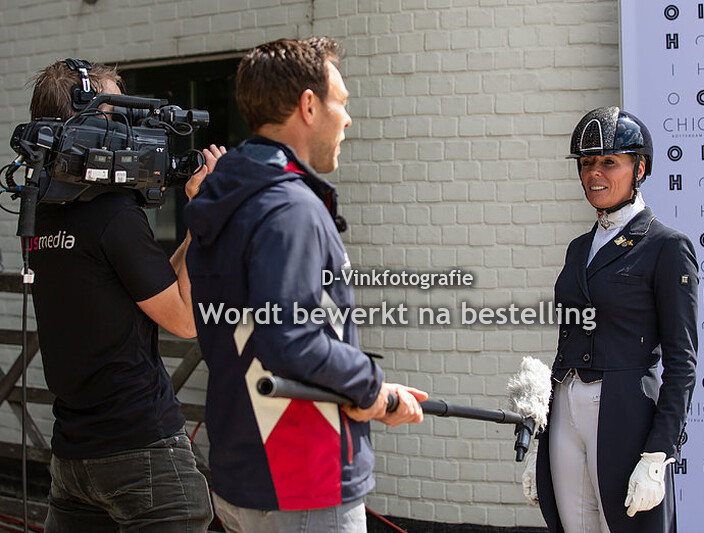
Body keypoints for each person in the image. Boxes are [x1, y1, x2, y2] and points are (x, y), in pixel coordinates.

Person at [184, 37, 428, 533]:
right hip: (301, 482)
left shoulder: (227, 197)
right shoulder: (288, 206)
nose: (348, 118)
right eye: (341, 102)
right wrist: (373, 388)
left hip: (240, 475)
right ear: (309, 105)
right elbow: (291, 337)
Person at [27, 59, 222, 531]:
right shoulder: (113, 214)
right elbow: (184, 320)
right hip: (141, 452)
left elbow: (153, 289)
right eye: (121, 118)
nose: (133, 132)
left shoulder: (44, 213)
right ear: (91, 123)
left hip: (74, 457)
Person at [523, 107, 698, 533]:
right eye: (586, 164)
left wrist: (659, 453)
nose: (594, 174)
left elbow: (682, 361)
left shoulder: (666, 245)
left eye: (609, 162)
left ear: (640, 168)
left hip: (622, 407)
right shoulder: (578, 247)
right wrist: (537, 435)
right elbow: (567, 340)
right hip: (566, 406)